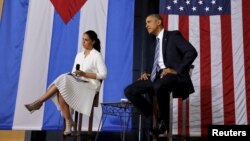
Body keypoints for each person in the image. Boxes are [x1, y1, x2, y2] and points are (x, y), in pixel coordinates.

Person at [124, 14, 197, 137]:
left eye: (149, 22)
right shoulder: (154, 44)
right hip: (158, 78)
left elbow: (191, 52)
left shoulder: (173, 36)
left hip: (176, 78)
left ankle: (164, 123)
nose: (146, 25)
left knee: (158, 85)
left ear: (158, 22)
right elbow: (158, 64)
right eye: (146, 23)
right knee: (129, 90)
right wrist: (149, 73)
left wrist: (177, 70)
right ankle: (155, 117)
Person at [24, 30, 107, 135]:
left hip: (90, 87)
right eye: (83, 39)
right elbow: (73, 73)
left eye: (86, 40)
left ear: (93, 42)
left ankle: (39, 102)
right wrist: (77, 74)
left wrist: (84, 74)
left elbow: (103, 74)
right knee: (63, 85)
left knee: (63, 80)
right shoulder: (79, 55)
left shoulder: (96, 55)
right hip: (78, 82)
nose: (83, 42)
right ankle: (68, 122)